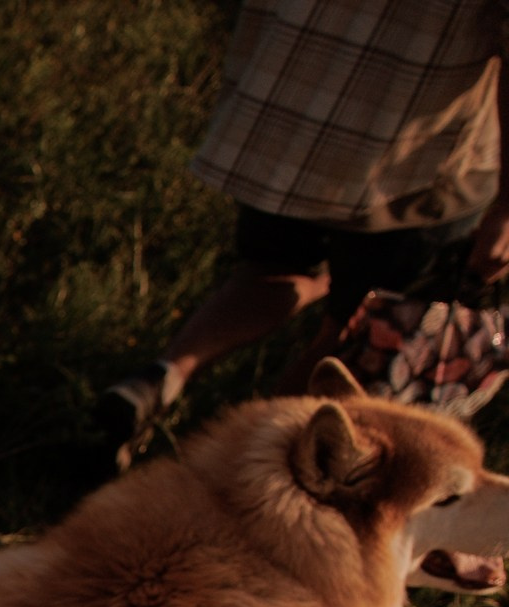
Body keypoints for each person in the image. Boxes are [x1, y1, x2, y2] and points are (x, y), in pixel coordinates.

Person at [99, 0, 509, 466]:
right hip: (410, 157)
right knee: (356, 334)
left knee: (273, 269)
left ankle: (162, 376)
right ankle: (245, 464)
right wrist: (506, 207)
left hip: (288, 116)